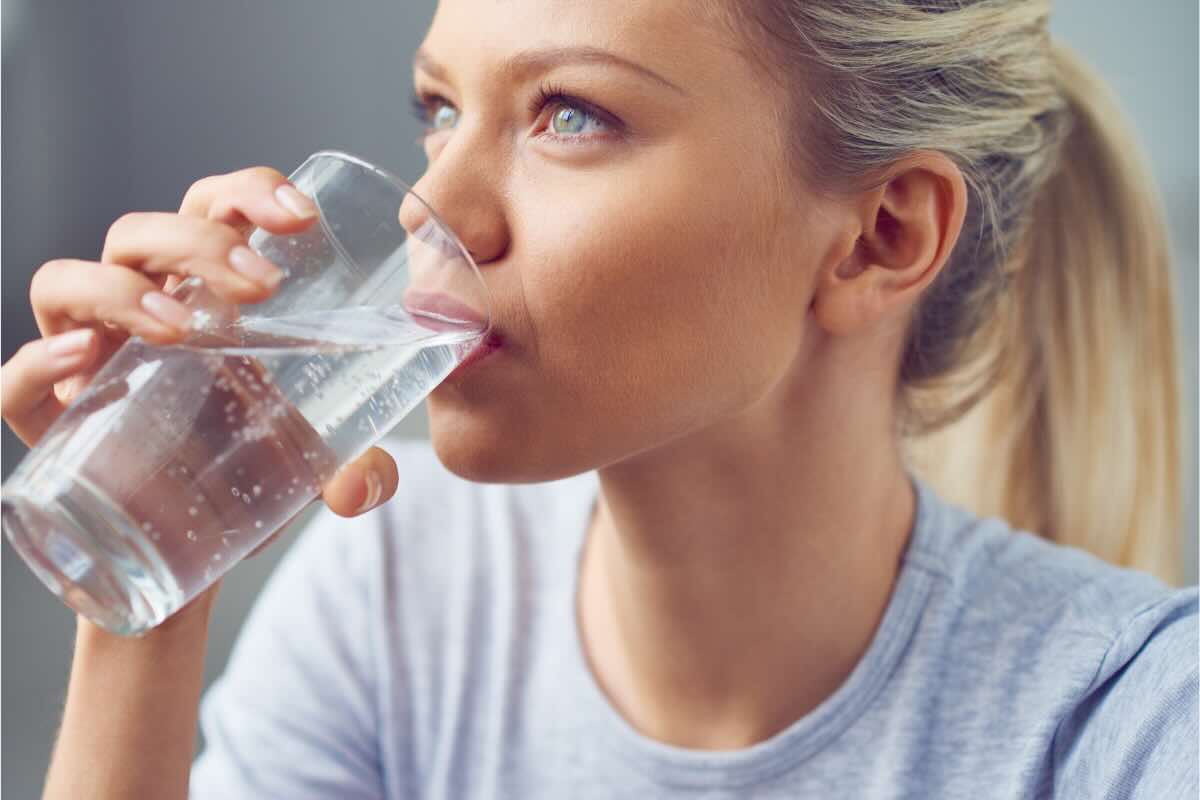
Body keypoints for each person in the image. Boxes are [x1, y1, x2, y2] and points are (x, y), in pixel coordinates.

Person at [4, 0, 1196, 797]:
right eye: (440, 111)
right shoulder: (399, 594)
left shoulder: (1128, 722)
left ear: (880, 238)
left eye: (571, 115)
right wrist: (147, 582)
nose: (433, 212)